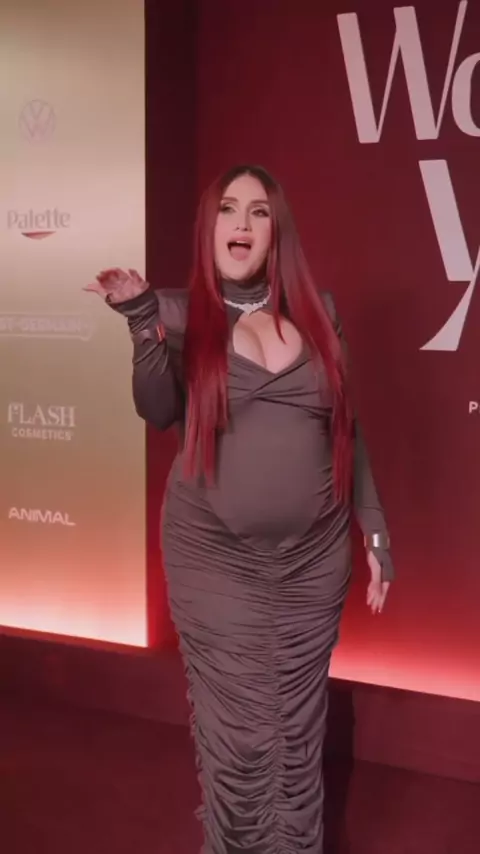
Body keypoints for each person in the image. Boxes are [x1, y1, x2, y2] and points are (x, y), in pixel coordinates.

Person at [85, 164, 393, 854]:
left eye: (258, 211)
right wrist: (140, 321)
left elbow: (347, 431)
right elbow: (157, 409)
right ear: (211, 227)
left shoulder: (320, 313)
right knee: (241, 736)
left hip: (313, 566)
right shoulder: (174, 312)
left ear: (276, 230)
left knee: (297, 731)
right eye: (229, 209)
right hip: (214, 559)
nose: (243, 223)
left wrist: (376, 534)